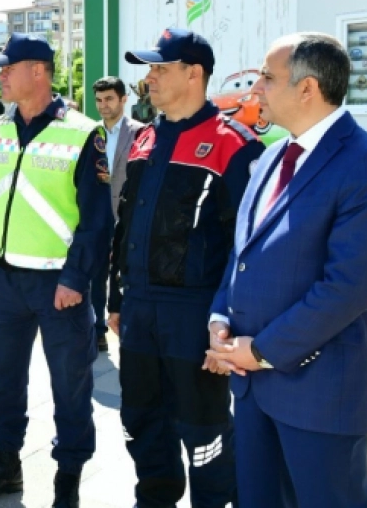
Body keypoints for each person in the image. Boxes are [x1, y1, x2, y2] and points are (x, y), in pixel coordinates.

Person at [205, 33, 367, 508]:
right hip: (253, 389)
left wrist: (260, 350)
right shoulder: (271, 156)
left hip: (319, 397)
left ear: (307, 88)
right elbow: (243, 254)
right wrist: (220, 319)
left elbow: (347, 288)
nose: (255, 89)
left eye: (267, 78)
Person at [0, 33, 113, 507]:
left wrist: (75, 280)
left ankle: (67, 479)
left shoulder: (84, 132)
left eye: (8, 67)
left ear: (38, 71)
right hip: (0, 282)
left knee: (71, 386)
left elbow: (96, 220)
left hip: (57, 286)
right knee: (2, 382)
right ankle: (6, 465)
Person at [108, 29, 264, 508]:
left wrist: (231, 328)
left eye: (160, 68)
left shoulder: (234, 146)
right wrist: (117, 300)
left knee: (204, 431)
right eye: (148, 69)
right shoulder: (144, 139)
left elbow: (251, 248)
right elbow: (126, 224)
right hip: (139, 312)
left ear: (194, 73)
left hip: (195, 315)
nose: (149, 78)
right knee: (140, 420)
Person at [90, 77, 143, 352]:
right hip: (97, 216)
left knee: (122, 272)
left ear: (124, 99)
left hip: (127, 215)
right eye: (99, 100)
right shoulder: (90, 132)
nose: (103, 105)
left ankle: (127, 325)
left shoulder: (141, 132)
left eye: (109, 99)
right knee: (97, 273)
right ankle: (98, 328)